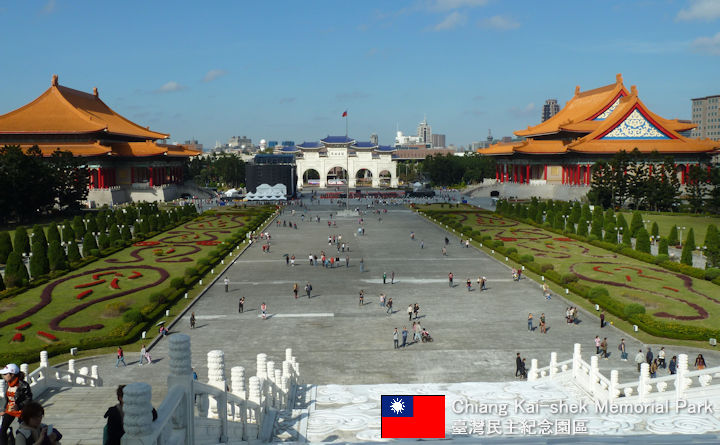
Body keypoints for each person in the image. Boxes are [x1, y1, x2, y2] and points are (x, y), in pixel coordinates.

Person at [1, 364, 32, 445]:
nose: (3, 376)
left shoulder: (24, 385)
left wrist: (19, 405)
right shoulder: (8, 383)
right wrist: (4, 410)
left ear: (12, 374)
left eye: (5, 374)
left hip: (21, 411)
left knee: (23, 432)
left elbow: (29, 399)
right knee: (2, 430)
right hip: (10, 410)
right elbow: (7, 399)